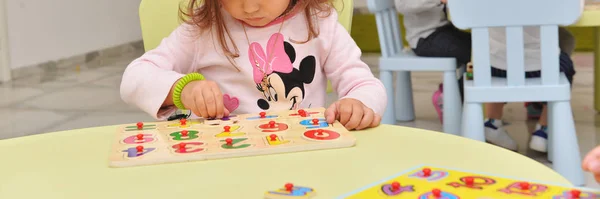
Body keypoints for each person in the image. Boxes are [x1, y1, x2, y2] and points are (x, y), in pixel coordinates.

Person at [119, 0, 386, 130]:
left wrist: (358, 103)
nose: (248, 6)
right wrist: (182, 90)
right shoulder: (203, 30)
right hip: (225, 160)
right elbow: (134, 78)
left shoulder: (320, 23)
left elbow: (363, 83)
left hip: (303, 153)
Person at [482, 27, 577, 152]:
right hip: (540, 69)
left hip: (493, 67)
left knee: (495, 51)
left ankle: (492, 121)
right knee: (565, 58)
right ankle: (544, 129)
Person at [395, 0, 471, 123]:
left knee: (484, 48)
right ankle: (450, 98)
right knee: (477, 53)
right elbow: (402, 5)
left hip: (445, 29)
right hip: (424, 37)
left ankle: (461, 100)